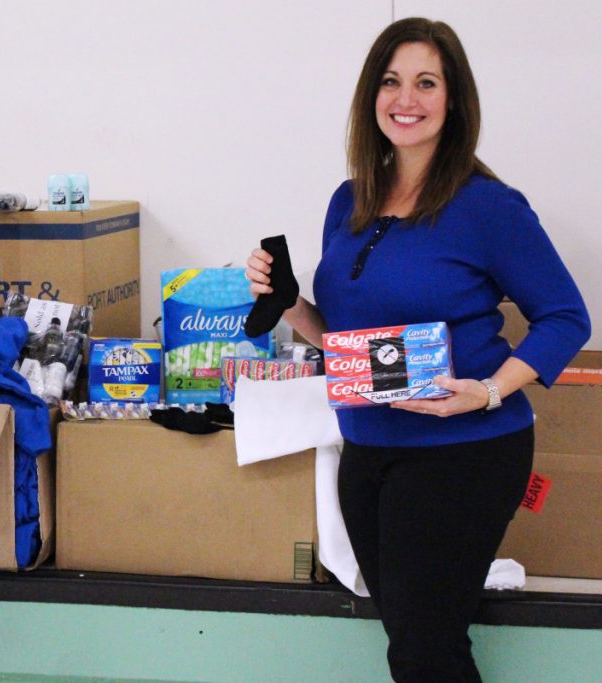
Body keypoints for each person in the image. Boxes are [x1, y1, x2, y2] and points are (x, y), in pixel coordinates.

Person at [246, 18, 590, 682]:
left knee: (423, 652)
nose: (407, 98)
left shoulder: (487, 206)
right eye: (392, 81)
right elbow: (343, 341)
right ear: (370, 97)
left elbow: (565, 317)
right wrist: (287, 300)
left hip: (462, 454)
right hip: (367, 451)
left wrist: (489, 390)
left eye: (426, 82)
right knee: (415, 641)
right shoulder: (349, 201)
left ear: (453, 99)